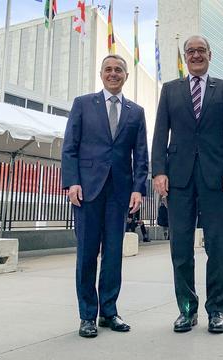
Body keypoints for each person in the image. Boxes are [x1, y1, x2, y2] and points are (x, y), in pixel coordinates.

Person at [151, 35, 223, 334]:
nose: (196, 55)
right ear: (185, 57)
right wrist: (158, 172)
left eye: (201, 50)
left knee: (217, 245)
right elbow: (160, 133)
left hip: (216, 178)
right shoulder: (170, 90)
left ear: (210, 55)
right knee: (180, 247)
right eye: (191, 51)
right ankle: (186, 310)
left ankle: (216, 310)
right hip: (178, 178)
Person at [62, 55, 148, 338]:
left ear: (126, 76)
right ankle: (87, 315)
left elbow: (141, 156)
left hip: (119, 193)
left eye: (118, 70)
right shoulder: (83, 104)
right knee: (87, 253)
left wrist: (138, 188)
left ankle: (109, 312)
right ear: (101, 74)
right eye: (108, 69)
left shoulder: (136, 112)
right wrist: (72, 182)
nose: (113, 74)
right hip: (87, 191)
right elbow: (70, 148)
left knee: (113, 255)